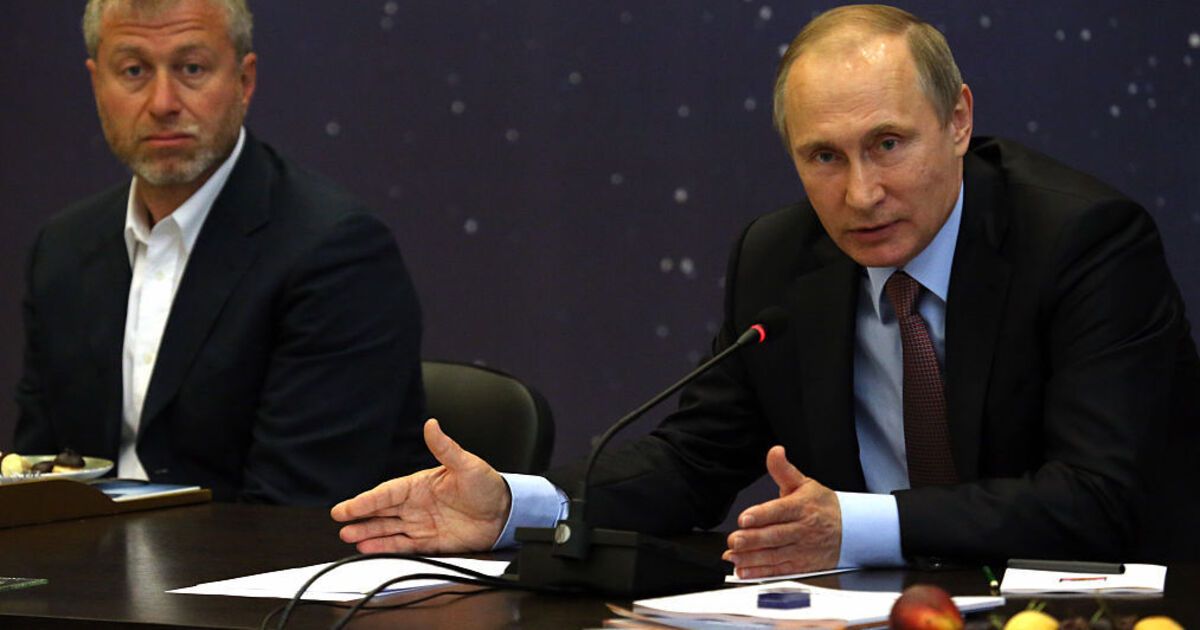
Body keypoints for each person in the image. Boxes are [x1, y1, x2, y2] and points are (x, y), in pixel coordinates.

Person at [332, 4, 1200, 571]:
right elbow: (693, 460)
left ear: (959, 120)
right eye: (824, 156)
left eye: (888, 144)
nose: (860, 193)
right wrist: (516, 506)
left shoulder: (1083, 242)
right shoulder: (781, 259)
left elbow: (1096, 498)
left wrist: (855, 525)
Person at [14, 0, 430, 506]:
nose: (163, 102)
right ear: (97, 83)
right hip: (91, 557)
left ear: (244, 81)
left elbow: (294, 513)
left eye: (192, 68)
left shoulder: (335, 252)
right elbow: (35, 484)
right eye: (134, 71)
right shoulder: (62, 249)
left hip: (266, 554)